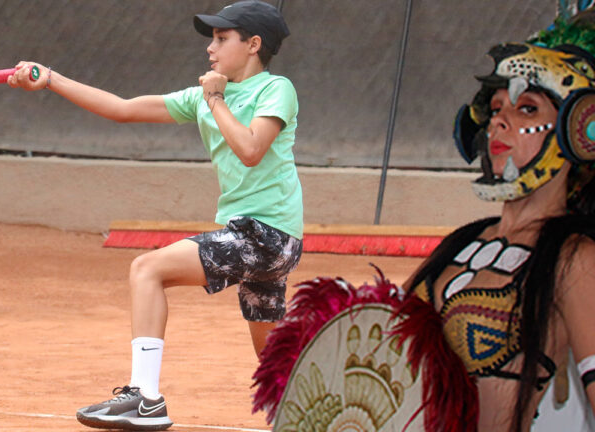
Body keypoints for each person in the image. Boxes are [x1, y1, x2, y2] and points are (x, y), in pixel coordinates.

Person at [253, 9, 595, 432]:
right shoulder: (463, 243)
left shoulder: (574, 259)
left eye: (527, 108)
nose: (499, 121)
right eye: (495, 108)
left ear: (580, 130)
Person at [8, 1, 302, 430]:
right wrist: (51, 79)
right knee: (277, 362)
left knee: (147, 269)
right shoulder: (200, 99)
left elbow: (252, 149)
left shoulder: (276, 89)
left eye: (222, 39)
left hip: (267, 235)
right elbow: (122, 108)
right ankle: (309, 410)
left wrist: (216, 98)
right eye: (212, 40)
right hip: (257, 238)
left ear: (254, 44)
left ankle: (145, 399)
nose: (211, 49)